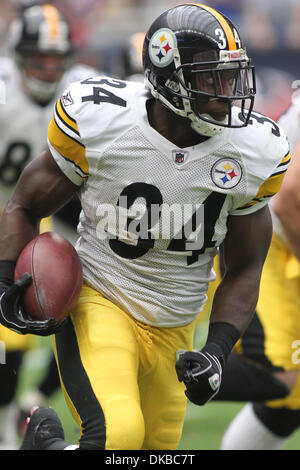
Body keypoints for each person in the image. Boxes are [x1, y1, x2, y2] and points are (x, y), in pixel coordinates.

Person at [0, 3, 290, 450]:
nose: (227, 92)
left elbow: (247, 266)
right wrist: (5, 283)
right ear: (171, 78)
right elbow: (24, 203)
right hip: (102, 298)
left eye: (231, 76)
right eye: (211, 78)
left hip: (175, 324)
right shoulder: (104, 122)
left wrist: (215, 351)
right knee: (119, 437)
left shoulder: (253, 151)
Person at [0, 2, 100, 449]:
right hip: (7, 214)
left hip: (53, 216)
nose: (47, 68)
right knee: (9, 339)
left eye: (55, 59)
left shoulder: (81, 92)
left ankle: (35, 401)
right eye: (38, 58)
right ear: (19, 57)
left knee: (78, 310)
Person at [215, 97, 300, 450]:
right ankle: (158, 373)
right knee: (280, 376)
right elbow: (290, 200)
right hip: (272, 237)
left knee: (292, 399)